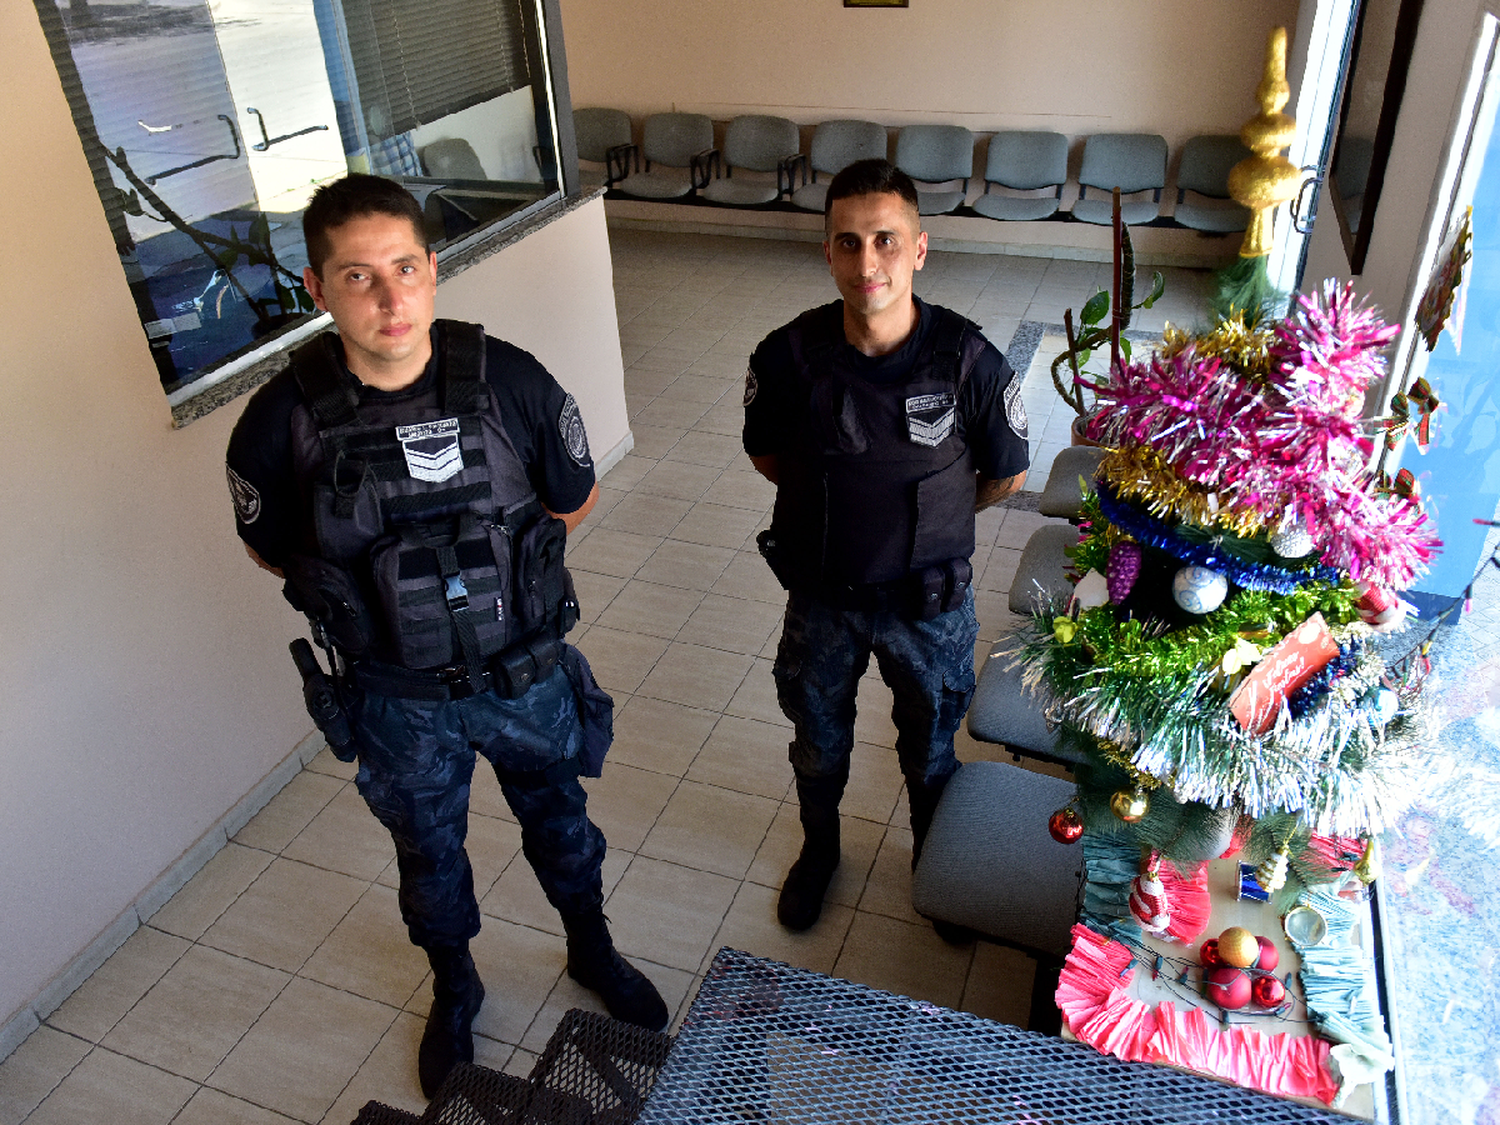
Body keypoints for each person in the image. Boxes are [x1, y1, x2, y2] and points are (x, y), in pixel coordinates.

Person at [225, 173, 667, 1098]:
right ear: (317, 288)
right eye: (357, 276)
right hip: (398, 699)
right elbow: (278, 551)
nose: (390, 299)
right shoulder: (279, 422)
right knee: (428, 855)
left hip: (525, 673)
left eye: (405, 268)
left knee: (563, 822)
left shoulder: (507, 379)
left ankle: (592, 947)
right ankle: (456, 986)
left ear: (432, 267)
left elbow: (569, 499)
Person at [743, 159, 1030, 932]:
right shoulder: (786, 358)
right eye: (848, 242)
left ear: (920, 248)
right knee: (818, 741)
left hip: (928, 607)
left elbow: (1004, 475)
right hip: (824, 601)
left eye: (886, 241)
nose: (867, 263)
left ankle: (936, 863)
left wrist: (927, 518)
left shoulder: (971, 361)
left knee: (931, 750)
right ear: (827, 252)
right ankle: (820, 850)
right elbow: (769, 456)